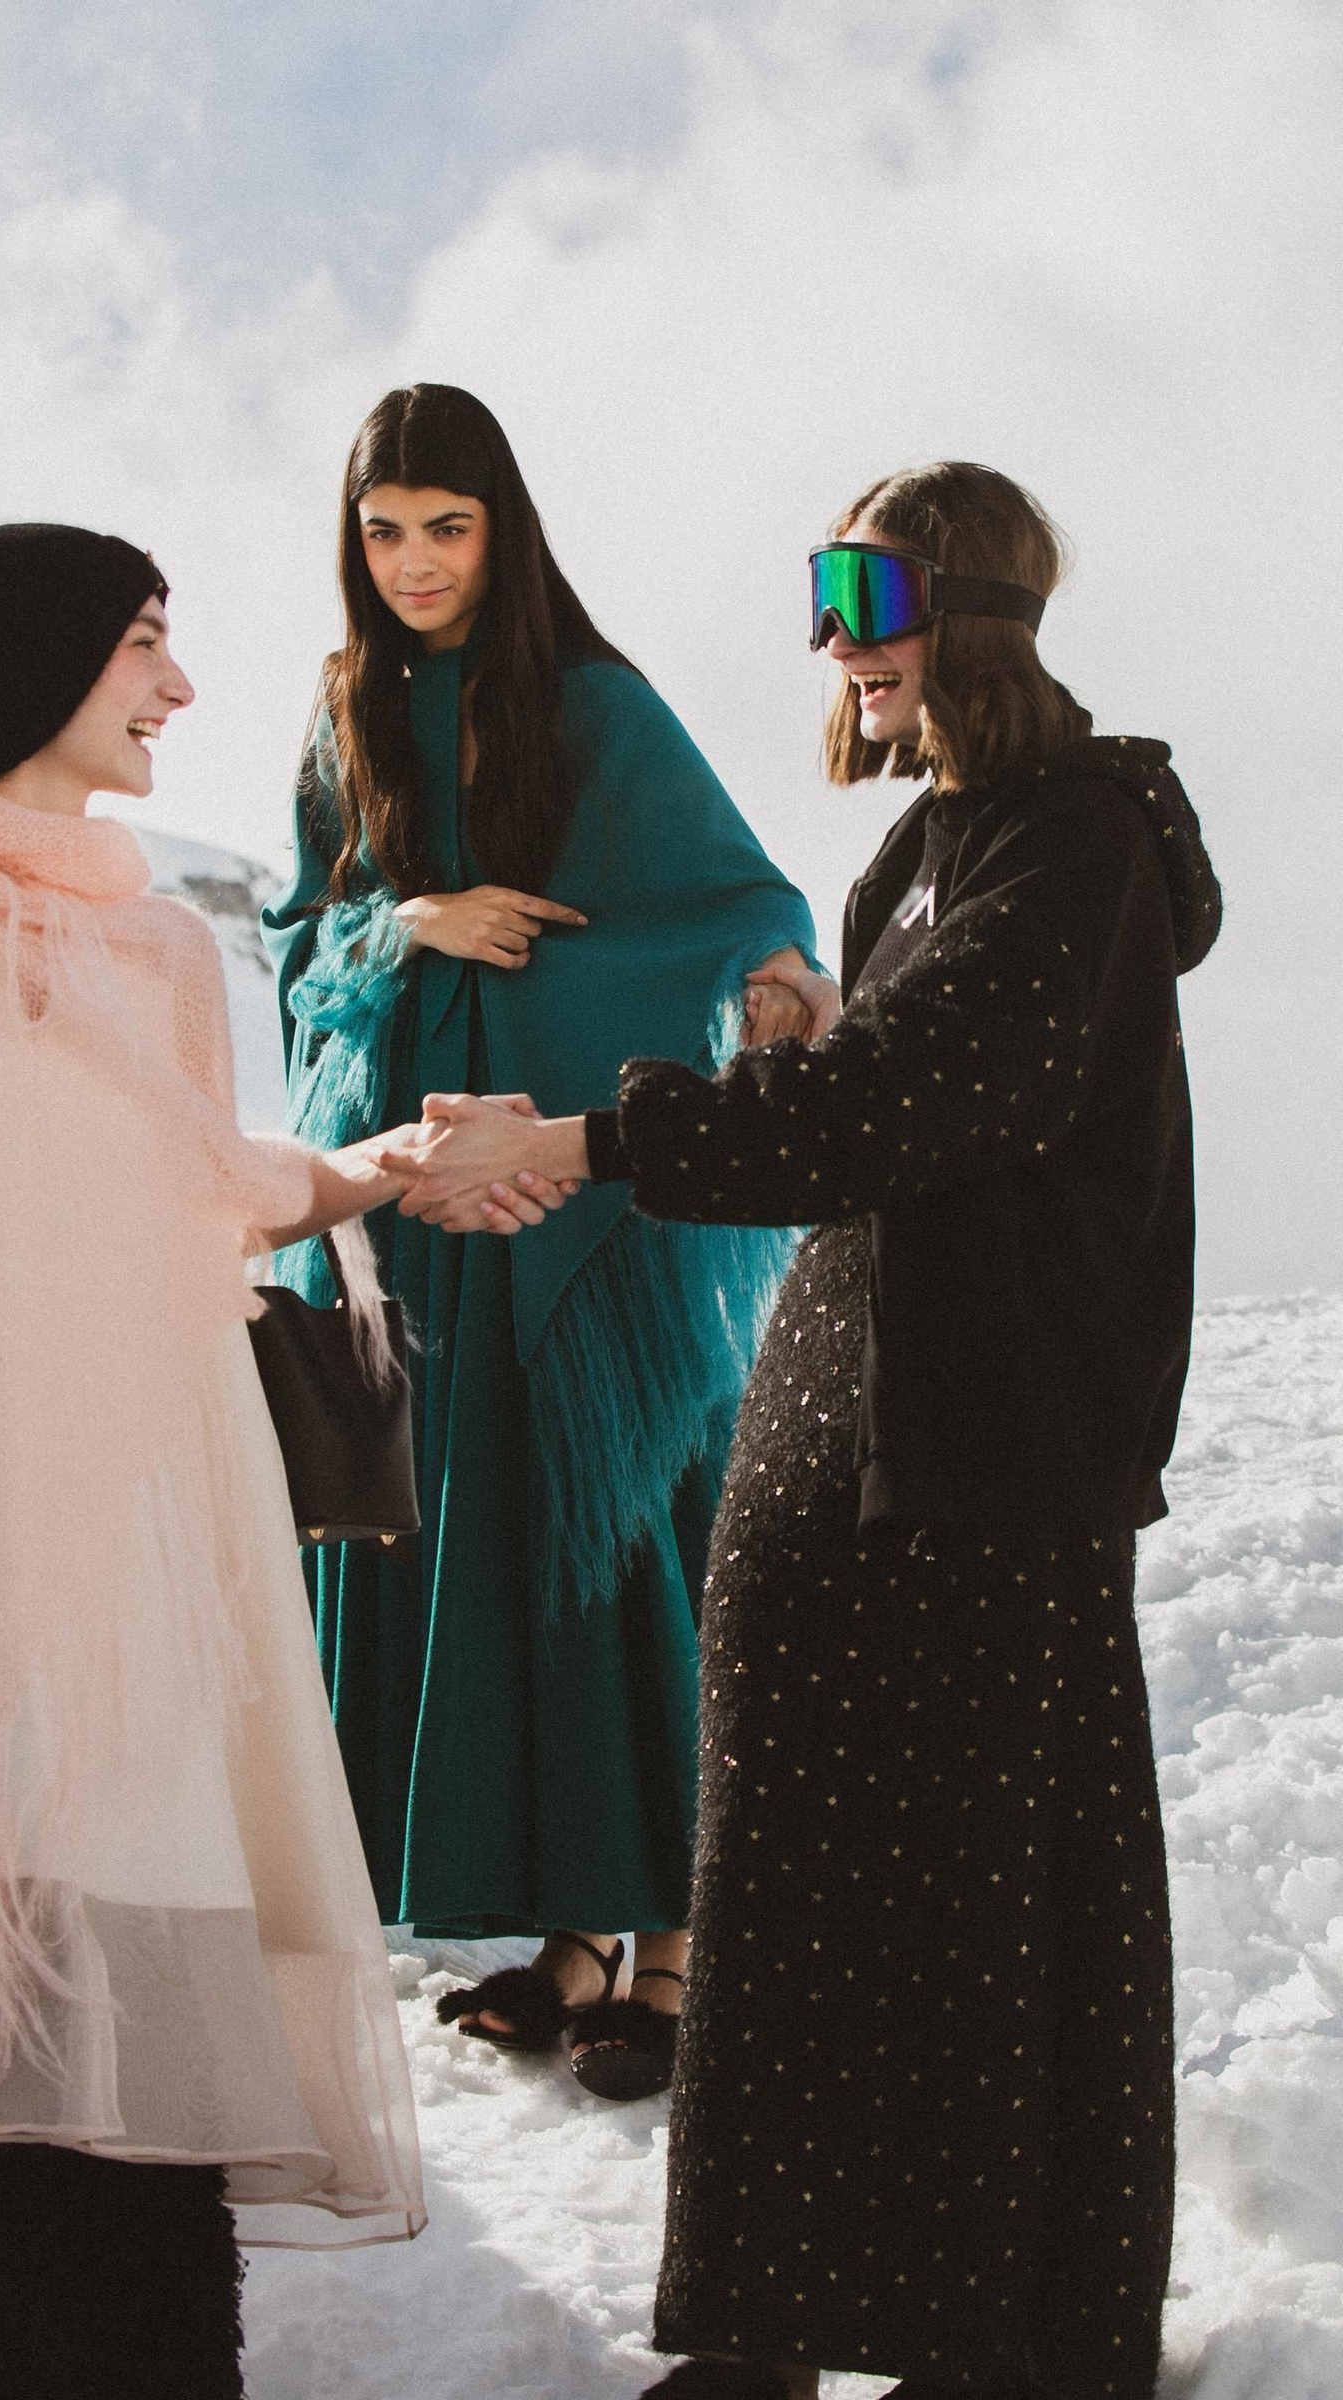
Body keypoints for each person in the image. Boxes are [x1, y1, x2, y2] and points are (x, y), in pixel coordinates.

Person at [387, 461, 1222, 2397]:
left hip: (980, 1455)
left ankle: (998, 2343)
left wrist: (593, 1137)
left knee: (966, 1921)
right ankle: (763, 2333)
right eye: (819, 591)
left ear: (976, 603)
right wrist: (802, 1039)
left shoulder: (1069, 838)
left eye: (863, 588)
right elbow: (881, 1100)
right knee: (785, 1901)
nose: (828, 638)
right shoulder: (920, 846)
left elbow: (940, 1100)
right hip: (844, 1430)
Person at [0, 521, 479, 2400]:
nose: (180, 687)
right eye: (147, 643)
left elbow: (207, 1190)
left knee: (109, 2104)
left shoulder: (153, 944)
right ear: (32, 668)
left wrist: (375, 1172)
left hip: (106, 1584)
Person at [261, 383, 827, 2096]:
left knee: (614, 1536)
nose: (416, 562)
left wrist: (756, 1002)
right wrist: (406, 919)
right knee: (482, 1534)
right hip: (419, 1201)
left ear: (502, 529)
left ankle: (676, 1941)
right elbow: (300, 955)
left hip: (570, 1205)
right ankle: (576, 1930)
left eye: (449, 526)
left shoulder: (592, 700)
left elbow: (739, 906)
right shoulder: (342, 710)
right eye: (384, 529)